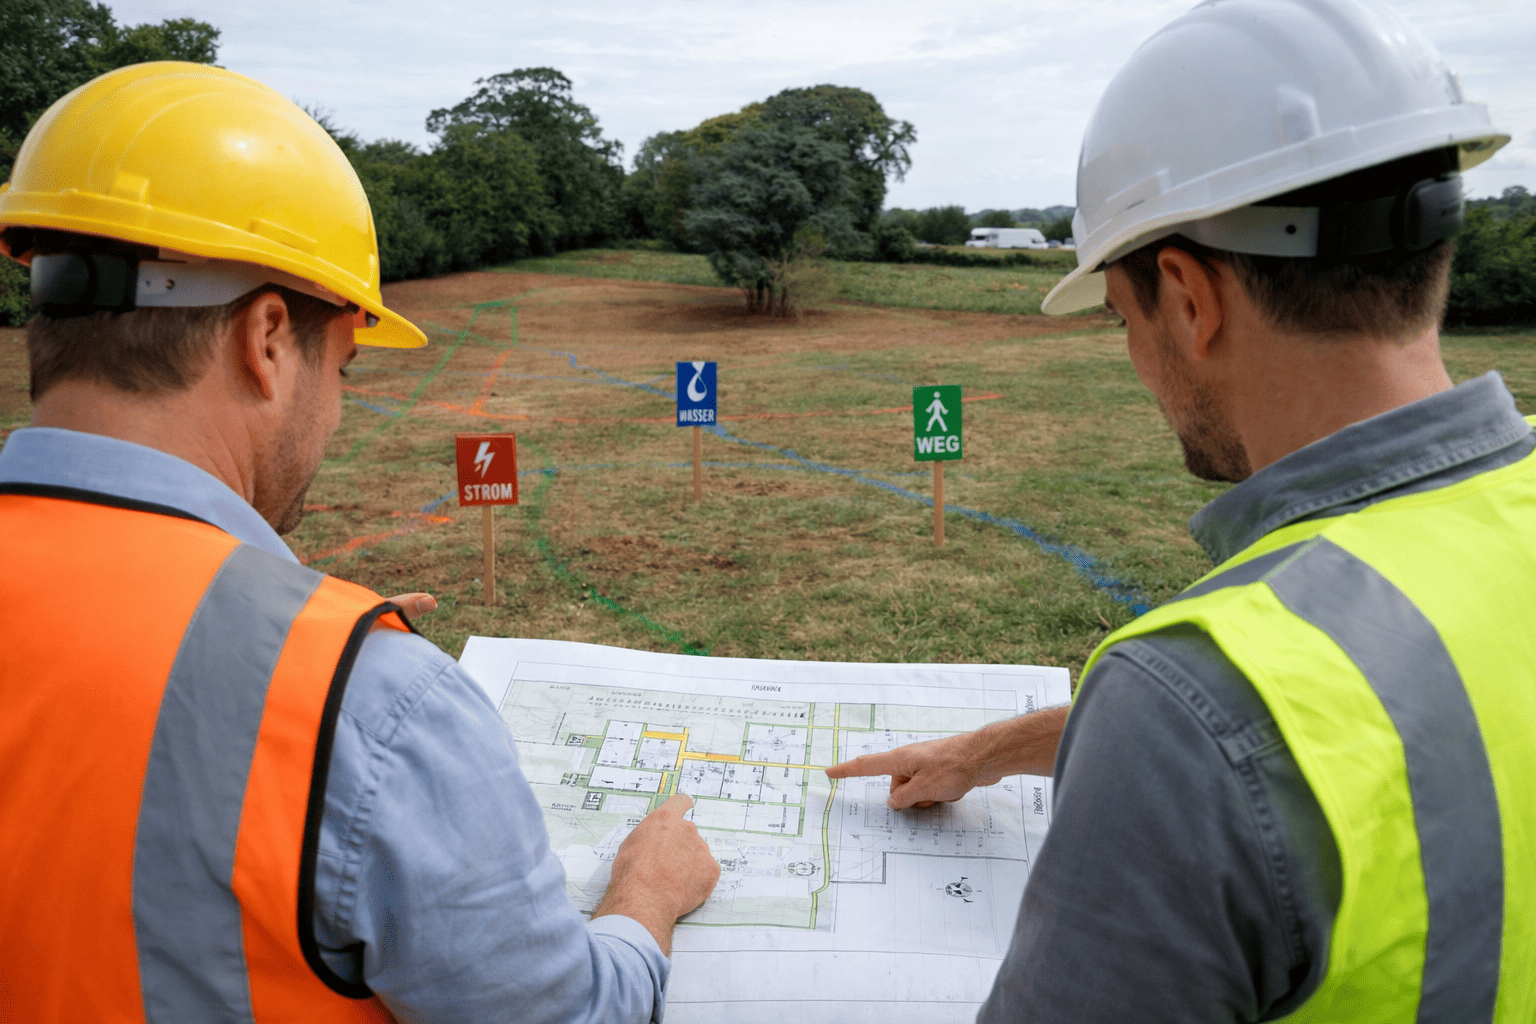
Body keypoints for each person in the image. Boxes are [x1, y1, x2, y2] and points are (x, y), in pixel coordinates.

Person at [829, 0, 1534, 1020]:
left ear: (1190, 298)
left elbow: (1232, 736)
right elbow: (1393, 728)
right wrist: (985, 754)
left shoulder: (1189, 701)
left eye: (1123, 317)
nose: (1134, 357)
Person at [0, 62, 718, 1023]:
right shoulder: (372, 703)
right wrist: (647, 895)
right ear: (266, 340)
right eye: (342, 366)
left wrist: (266, 614)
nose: (336, 409)